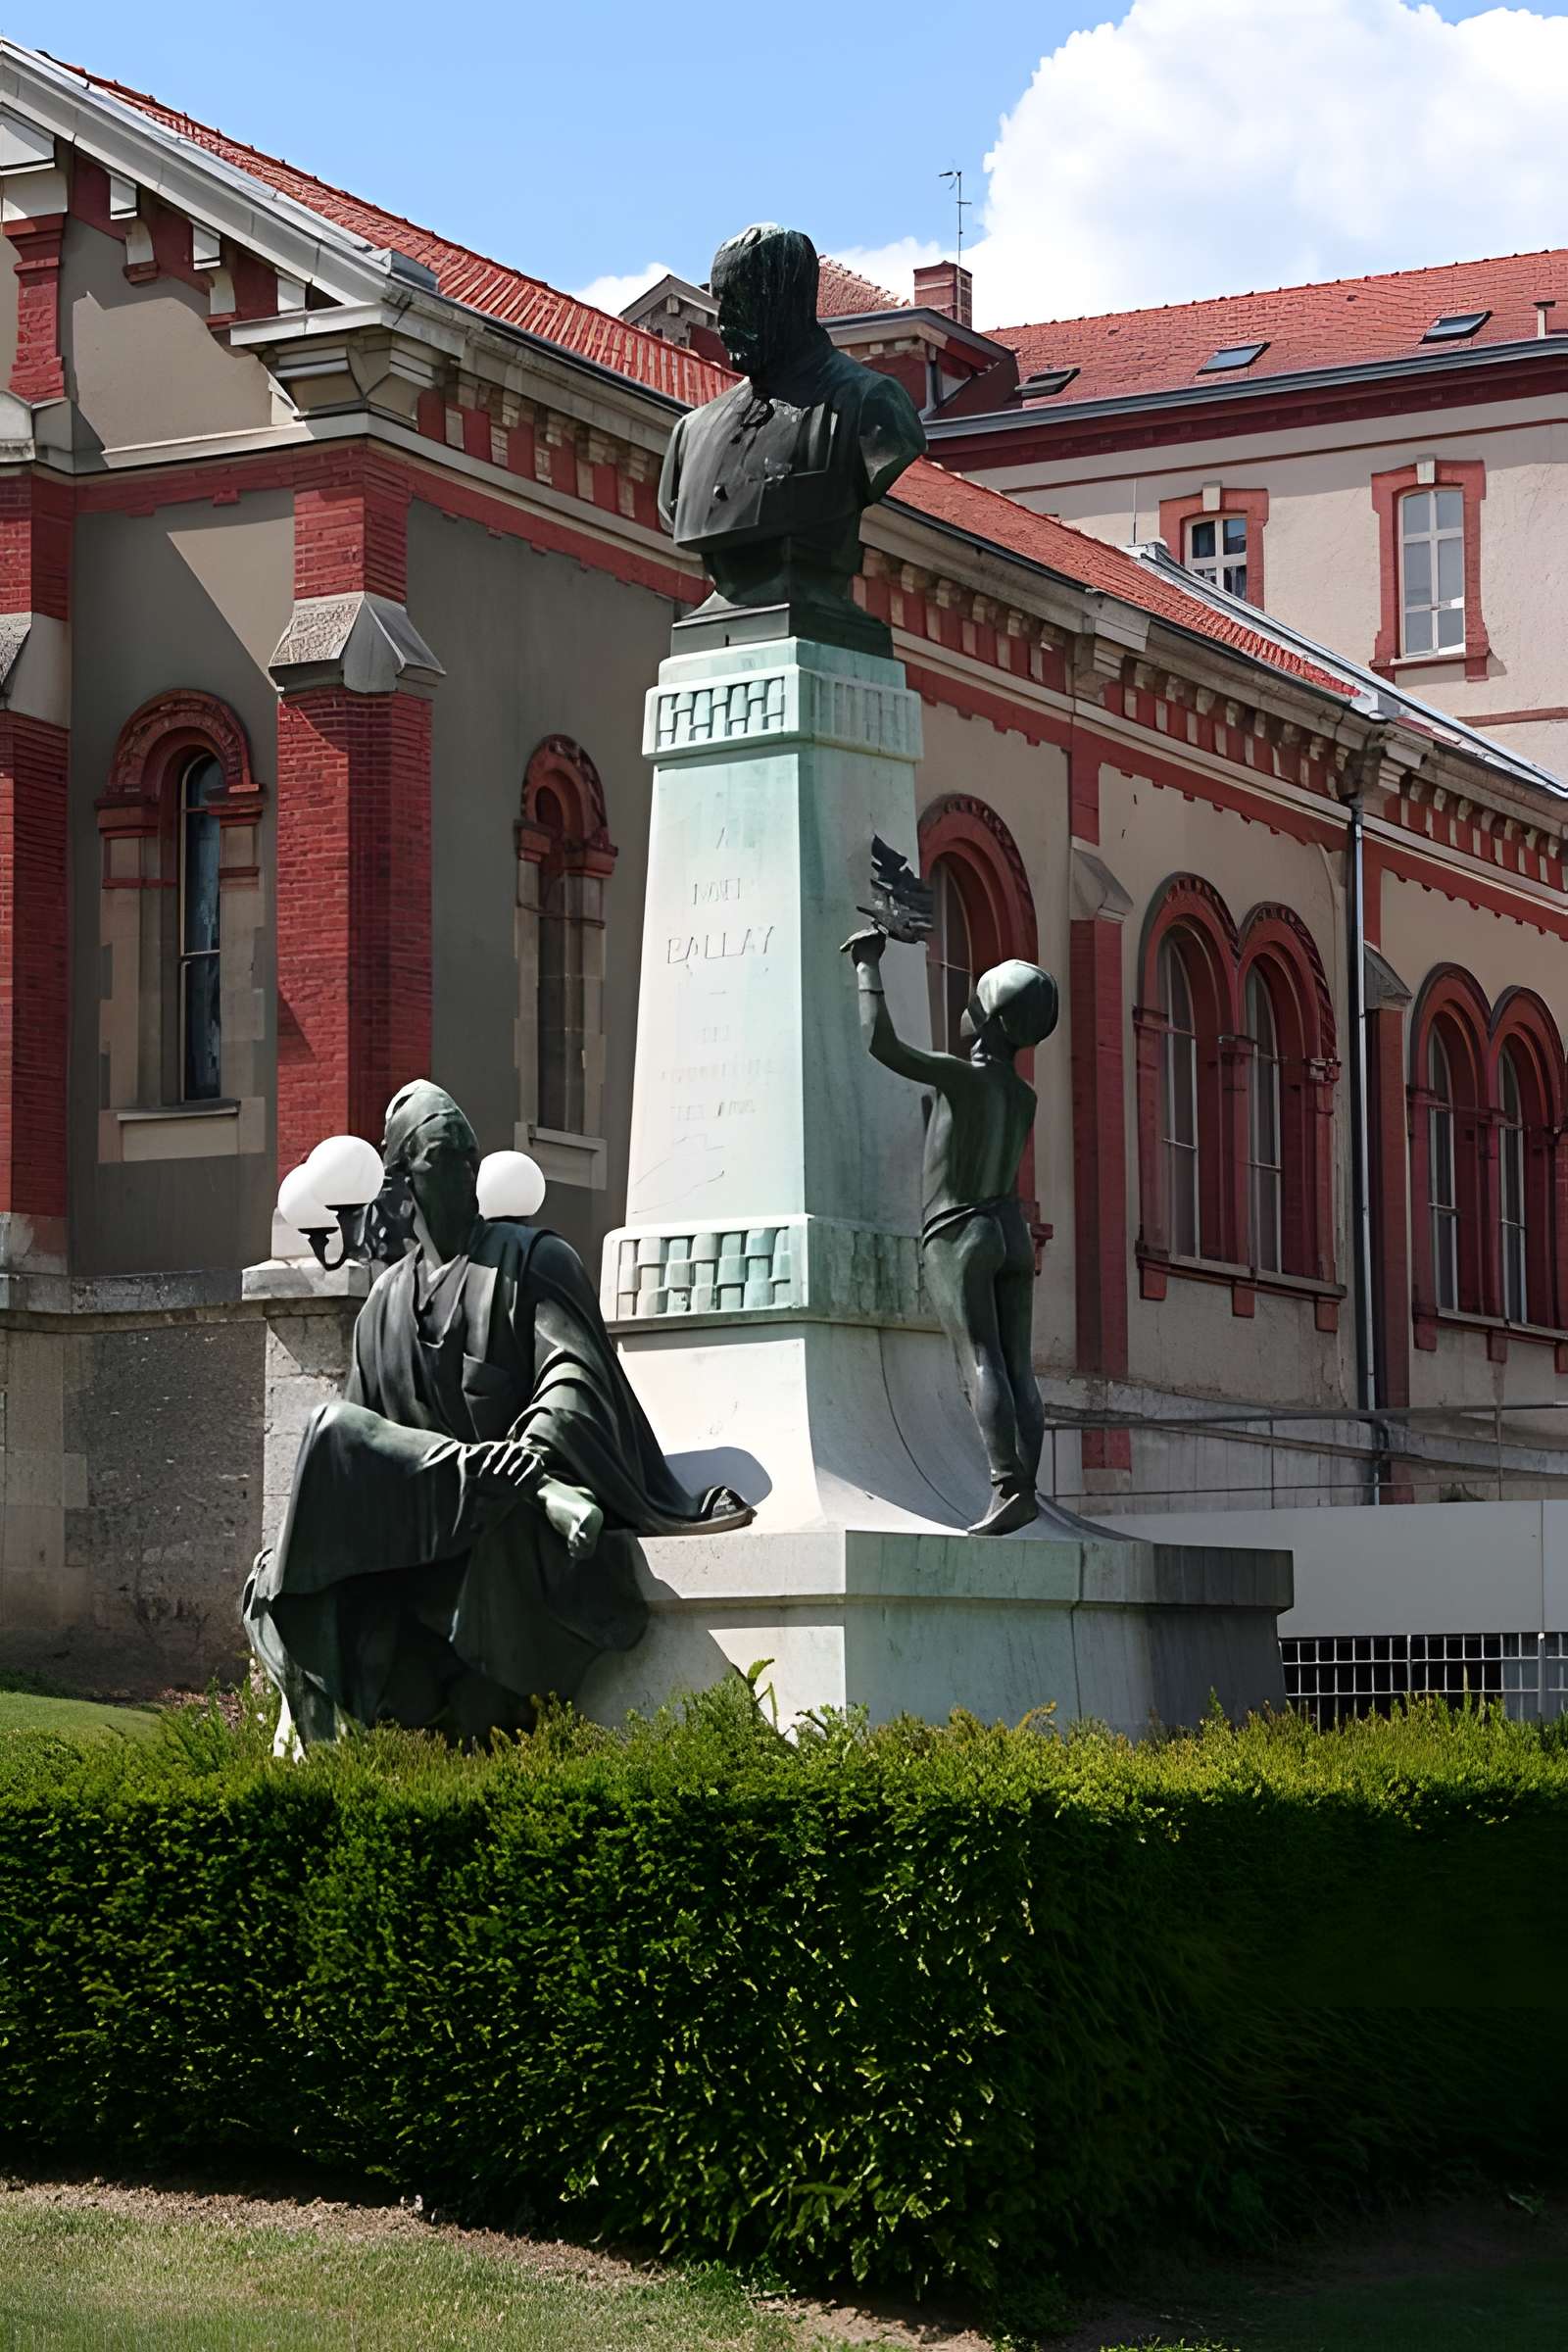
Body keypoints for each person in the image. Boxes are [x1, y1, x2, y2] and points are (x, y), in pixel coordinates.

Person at [244, 1082, 752, 1747]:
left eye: (467, 1154)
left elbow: (574, 1377)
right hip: (430, 1534)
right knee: (327, 1438)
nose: (461, 1168)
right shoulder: (382, 1308)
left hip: (513, 1532)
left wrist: (534, 1456)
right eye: (439, 1156)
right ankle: (321, 1687)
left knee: (339, 1448)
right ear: (401, 1181)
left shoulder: (534, 1262)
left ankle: (512, 1490)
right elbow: (364, 1454)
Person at [843, 932, 1057, 1536]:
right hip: (1010, 1228)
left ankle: (1007, 1486)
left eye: (973, 1003)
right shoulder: (1024, 1095)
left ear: (989, 1018)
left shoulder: (962, 1079)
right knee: (1019, 1366)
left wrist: (867, 966)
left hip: (960, 1230)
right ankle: (1029, 1487)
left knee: (979, 1359)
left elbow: (880, 1044)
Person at [659, 222, 926, 635]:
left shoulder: (871, 406)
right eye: (720, 302)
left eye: (741, 301)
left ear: (788, 301)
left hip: (816, 616)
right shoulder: (691, 433)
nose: (723, 320)